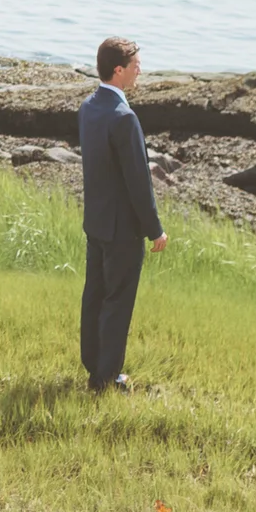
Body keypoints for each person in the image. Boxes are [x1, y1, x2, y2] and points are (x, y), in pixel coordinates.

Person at [78, 36, 166, 392]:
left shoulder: (89, 107)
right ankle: (106, 378)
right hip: (122, 230)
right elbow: (138, 180)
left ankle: (93, 366)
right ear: (119, 70)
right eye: (135, 65)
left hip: (96, 222)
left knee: (95, 296)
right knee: (117, 302)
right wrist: (154, 229)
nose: (140, 69)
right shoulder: (124, 117)